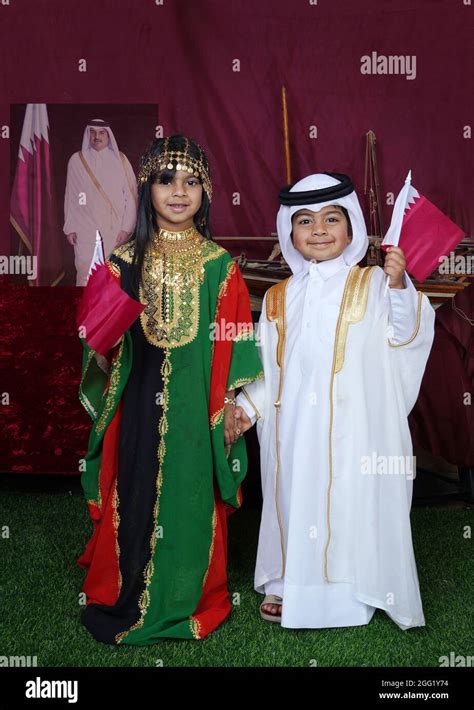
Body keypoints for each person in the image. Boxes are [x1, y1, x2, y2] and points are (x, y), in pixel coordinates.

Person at [77, 135, 263, 644]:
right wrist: (97, 346)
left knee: (190, 493)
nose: (179, 191)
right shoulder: (122, 262)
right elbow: (103, 349)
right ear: (146, 189)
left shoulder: (219, 267)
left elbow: (234, 341)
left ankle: (186, 597)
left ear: (206, 192)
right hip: (135, 402)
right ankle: (128, 588)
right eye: (166, 180)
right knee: (133, 487)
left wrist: (228, 405)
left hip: (194, 406)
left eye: (191, 181)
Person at [233, 172, 435, 631]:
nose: (318, 230)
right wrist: (247, 408)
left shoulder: (373, 283)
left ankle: (351, 590)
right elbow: (270, 366)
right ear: (290, 232)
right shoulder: (279, 297)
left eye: (330, 218)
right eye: (304, 220)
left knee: (349, 500)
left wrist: (400, 286)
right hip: (296, 432)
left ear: (351, 229)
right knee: (294, 496)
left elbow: (406, 334)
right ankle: (289, 583)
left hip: (353, 430)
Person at [63, 119, 137, 285]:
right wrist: (70, 227)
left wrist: (126, 228)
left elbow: (131, 197)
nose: (97, 136)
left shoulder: (121, 160)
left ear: (108, 135)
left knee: (113, 274)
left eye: (101, 132)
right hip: (85, 227)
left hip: (114, 228)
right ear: (87, 134)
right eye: (92, 132)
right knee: (85, 274)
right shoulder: (77, 160)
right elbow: (72, 195)